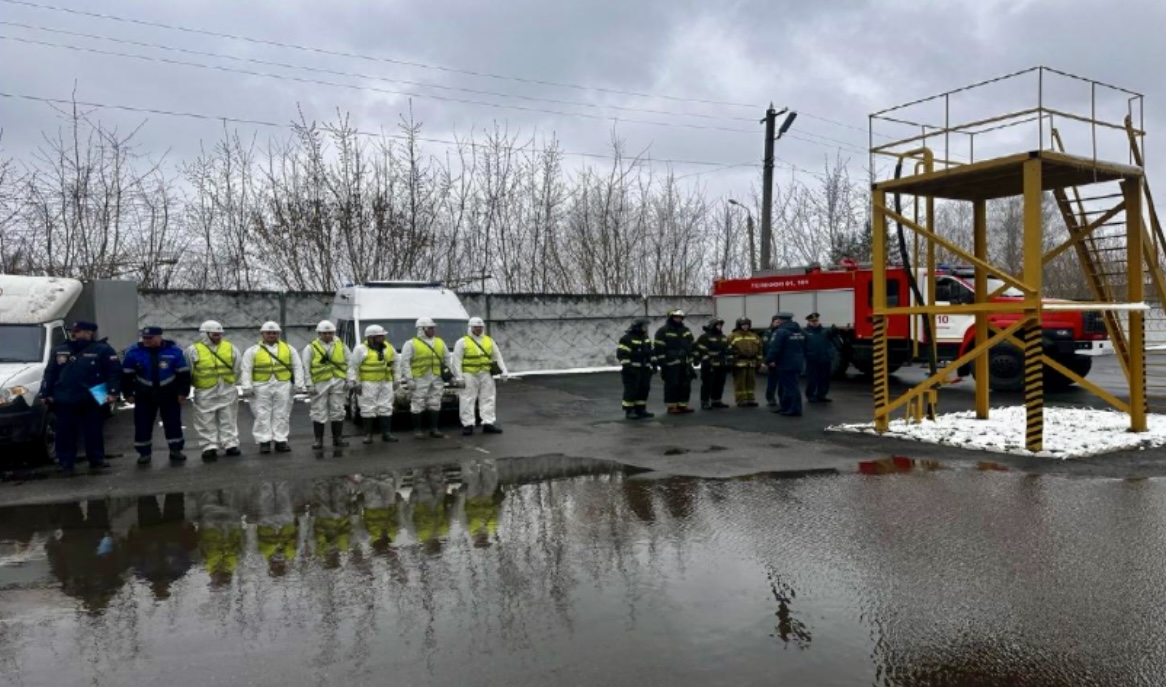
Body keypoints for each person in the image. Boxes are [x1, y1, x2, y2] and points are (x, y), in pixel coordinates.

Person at [37, 320, 122, 475]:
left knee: (93, 430)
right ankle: (65, 462)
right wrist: (45, 393)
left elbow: (113, 372)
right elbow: (50, 373)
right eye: (73, 331)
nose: (74, 334)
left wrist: (113, 392)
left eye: (78, 331)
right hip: (65, 397)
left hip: (93, 397)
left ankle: (96, 459)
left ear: (88, 333)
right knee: (65, 431)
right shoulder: (60, 349)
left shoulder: (102, 350)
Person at [123, 326, 191, 466]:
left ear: (159, 337)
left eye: (150, 338)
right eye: (144, 338)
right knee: (142, 424)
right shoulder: (133, 352)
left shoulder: (174, 351)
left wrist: (183, 392)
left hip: (169, 393)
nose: (147, 341)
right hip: (144, 394)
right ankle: (144, 453)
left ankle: (175, 450)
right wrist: (128, 393)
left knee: (173, 423)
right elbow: (126, 376)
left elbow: (183, 374)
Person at [239, 321, 305, 454]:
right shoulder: (252, 351)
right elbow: (246, 369)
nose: (271, 335)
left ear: (278, 334)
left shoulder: (288, 349)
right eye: (268, 333)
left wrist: (299, 384)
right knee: (262, 414)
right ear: (262, 334)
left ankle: (281, 440)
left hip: (283, 385)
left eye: (274, 333)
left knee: (282, 413)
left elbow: (297, 366)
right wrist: (246, 386)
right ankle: (264, 441)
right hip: (261, 386)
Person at [186, 320, 242, 462]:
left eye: (219, 334)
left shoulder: (231, 348)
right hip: (205, 391)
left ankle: (230, 444)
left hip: (227, 390)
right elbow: (189, 370)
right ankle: (209, 446)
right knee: (205, 420)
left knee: (228, 418)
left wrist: (231, 382)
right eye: (215, 335)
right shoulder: (193, 350)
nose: (218, 337)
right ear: (206, 334)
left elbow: (237, 368)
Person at [452, 317, 509, 436]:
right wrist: (459, 377)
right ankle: (468, 424)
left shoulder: (489, 341)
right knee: (467, 399)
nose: (478, 329)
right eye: (476, 327)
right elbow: (456, 361)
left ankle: (488, 423)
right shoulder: (462, 342)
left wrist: (504, 371)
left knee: (488, 398)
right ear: (470, 328)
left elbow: (497, 356)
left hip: (485, 373)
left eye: (480, 327)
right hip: (469, 374)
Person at [399, 317, 452, 439]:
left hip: (437, 377)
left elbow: (447, 358)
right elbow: (405, 362)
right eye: (430, 328)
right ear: (422, 329)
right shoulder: (411, 343)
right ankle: (418, 429)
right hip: (420, 378)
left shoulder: (440, 342)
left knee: (435, 402)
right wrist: (409, 379)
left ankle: (434, 428)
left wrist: (448, 373)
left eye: (433, 328)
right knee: (417, 402)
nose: (433, 330)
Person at [303, 320, 351, 450]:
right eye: (325, 333)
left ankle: (338, 438)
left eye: (330, 333)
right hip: (319, 382)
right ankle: (318, 440)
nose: (328, 335)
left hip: (338, 381)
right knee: (318, 410)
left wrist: (349, 379)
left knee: (338, 409)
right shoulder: (311, 347)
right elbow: (306, 367)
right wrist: (309, 384)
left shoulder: (341, 345)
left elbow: (349, 362)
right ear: (319, 333)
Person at [348, 324, 399, 445]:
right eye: (379, 336)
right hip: (368, 383)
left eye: (382, 336)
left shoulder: (388, 347)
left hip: (385, 381)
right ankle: (368, 435)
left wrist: (397, 379)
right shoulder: (360, 349)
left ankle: (386, 434)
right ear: (371, 338)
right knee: (368, 407)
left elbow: (396, 363)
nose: (382, 338)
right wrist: (355, 382)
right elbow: (353, 367)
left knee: (386, 407)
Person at [654, 309, 696, 414]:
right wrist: (662, 362)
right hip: (670, 363)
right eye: (676, 317)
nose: (678, 319)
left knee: (685, 385)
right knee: (672, 385)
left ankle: (682, 405)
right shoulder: (663, 331)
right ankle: (672, 406)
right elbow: (659, 347)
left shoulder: (685, 330)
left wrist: (691, 359)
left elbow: (691, 345)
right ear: (671, 318)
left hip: (684, 363)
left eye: (680, 317)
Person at [766, 312, 807, 417]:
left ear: (781, 320)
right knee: (790, 386)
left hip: (785, 363)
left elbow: (775, 348)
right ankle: (786, 407)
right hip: (797, 362)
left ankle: (794, 409)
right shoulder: (800, 331)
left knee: (790, 388)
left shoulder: (781, 332)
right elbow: (805, 346)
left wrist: (769, 360)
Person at [617, 318, 656, 420]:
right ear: (637, 327)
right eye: (643, 326)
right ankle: (629, 410)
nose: (645, 328)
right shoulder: (627, 339)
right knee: (631, 390)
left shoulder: (645, 338)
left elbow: (650, 352)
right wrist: (628, 367)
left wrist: (654, 363)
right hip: (632, 369)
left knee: (644, 389)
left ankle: (641, 409)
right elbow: (622, 355)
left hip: (645, 369)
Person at [695, 317, 731, 410]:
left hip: (721, 364)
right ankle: (705, 402)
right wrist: (705, 359)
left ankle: (716, 401)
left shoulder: (723, 337)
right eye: (717, 325)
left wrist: (729, 360)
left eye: (720, 325)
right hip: (710, 364)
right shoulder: (704, 337)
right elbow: (699, 349)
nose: (719, 327)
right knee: (707, 384)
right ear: (712, 325)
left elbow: (728, 349)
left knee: (719, 383)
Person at [728, 317, 762, 407]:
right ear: (739, 325)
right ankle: (741, 399)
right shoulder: (733, 336)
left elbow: (760, 349)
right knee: (740, 382)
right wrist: (731, 362)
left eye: (747, 325)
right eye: (743, 325)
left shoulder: (754, 336)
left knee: (751, 381)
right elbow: (728, 350)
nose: (745, 326)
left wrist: (759, 361)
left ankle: (750, 398)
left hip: (752, 362)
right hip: (739, 362)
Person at [803, 312, 835, 403]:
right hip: (812, 359)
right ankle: (810, 395)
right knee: (812, 379)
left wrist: (835, 330)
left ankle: (822, 395)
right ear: (808, 322)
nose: (814, 322)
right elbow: (802, 345)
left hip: (825, 358)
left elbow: (833, 335)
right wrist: (806, 355)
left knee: (824, 378)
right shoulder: (805, 332)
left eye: (816, 321)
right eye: (812, 321)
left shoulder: (825, 331)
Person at [762, 314, 783, 407]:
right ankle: (770, 398)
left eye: (780, 322)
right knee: (772, 382)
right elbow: (767, 348)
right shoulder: (768, 333)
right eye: (776, 322)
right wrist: (770, 361)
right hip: (773, 361)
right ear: (772, 322)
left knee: (782, 382)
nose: (778, 324)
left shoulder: (783, 332)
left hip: (782, 361)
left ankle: (782, 398)